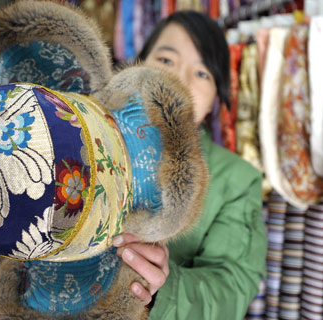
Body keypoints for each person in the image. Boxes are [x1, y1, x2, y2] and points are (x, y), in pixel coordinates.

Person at [112, 10, 267, 319]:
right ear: (139, 66)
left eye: (202, 73)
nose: (178, 80)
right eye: (166, 61)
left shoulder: (237, 180)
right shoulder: (89, 140)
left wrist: (159, 291)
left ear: (216, 99)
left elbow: (232, 287)